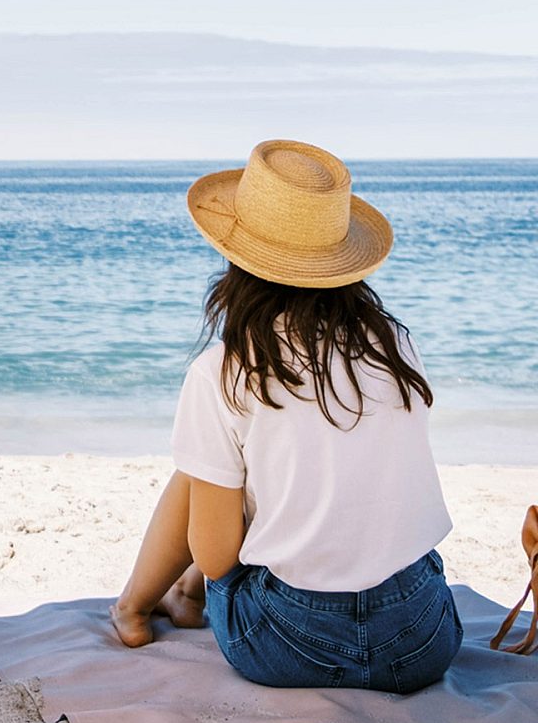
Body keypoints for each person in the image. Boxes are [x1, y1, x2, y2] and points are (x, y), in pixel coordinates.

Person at [111, 139, 463, 694]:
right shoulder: (393, 344)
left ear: (238, 262)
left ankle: (137, 605)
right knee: (249, 464)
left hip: (290, 642)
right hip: (420, 639)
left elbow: (217, 554)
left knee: (207, 471)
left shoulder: (223, 371)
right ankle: (178, 594)